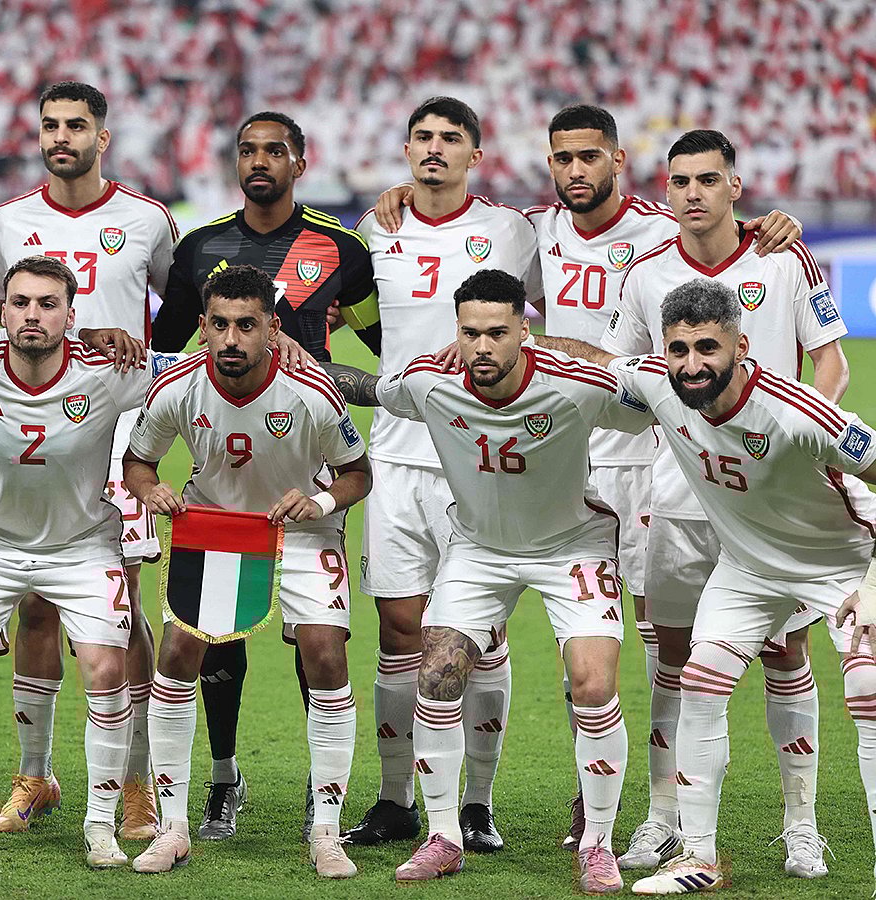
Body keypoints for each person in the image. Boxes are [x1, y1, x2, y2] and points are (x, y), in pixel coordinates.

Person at [375, 106, 804, 850]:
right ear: (550, 165)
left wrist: (772, 224)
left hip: (648, 452)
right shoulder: (533, 232)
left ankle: (649, 806)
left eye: (589, 157)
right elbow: (473, 280)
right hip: (567, 447)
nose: (576, 170)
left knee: (648, 642)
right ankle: (570, 799)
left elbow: (713, 244)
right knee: (582, 637)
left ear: (617, 162)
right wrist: (397, 203)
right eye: (563, 158)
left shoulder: (656, 232)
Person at [544, 129, 847, 876]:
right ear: (667, 189)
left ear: (735, 186)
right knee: (671, 656)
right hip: (678, 494)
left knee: (786, 650)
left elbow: (830, 364)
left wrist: (797, 445)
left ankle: (800, 823)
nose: (694, 193)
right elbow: (628, 379)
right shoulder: (644, 272)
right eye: (680, 181)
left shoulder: (782, 255)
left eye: (709, 179)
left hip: (776, 501)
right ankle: (662, 816)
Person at [326, 268, 653, 891]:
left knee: (591, 683)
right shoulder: (430, 382)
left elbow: (656, 400)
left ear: (522, 332)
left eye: (497, 333)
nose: (482, 347)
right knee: (437, 669)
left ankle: (598, 843)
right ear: (457, 330)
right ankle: (444, 835)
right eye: (470, 333)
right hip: (478, 549)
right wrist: (291, 357)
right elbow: (368, 388)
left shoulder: (577, 386)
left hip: (571, 545)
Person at [149, 111, 378, 841]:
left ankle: (324, 788)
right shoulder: (201, 247)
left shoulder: (343, 248)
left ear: (299, 162)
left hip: (307, 457)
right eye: (247, 150)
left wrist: (332, 364)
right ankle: (222, 779)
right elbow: (167, 351)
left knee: (318, 647)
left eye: (274, 150)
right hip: (228, 464)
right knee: (215, 637)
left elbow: (383, 344)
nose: (259, 161)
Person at [0, 81, 177, 839]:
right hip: (30, 429)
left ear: (101, 137)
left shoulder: (147, 219)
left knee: (126, 612)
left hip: (113, 432)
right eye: (49, 125)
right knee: (34, 600)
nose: (61, 137)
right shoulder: (8, 220)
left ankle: (137, 782)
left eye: (75, 126)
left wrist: (134, 350)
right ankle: (35, 775)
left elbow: (176, 326)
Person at [0, 255, 173, 867]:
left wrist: (280, 343)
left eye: (47, 305)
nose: (32, 315)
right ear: (1, 310)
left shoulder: (108, 370)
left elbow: (202, 367)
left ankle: (102, 824)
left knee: (106, 673)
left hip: (83, 547)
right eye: (20, 302)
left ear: (70, 317)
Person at [124, 265, 372, 878]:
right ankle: (173, 826)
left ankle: (326, 830)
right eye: (219, 325)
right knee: (179, 651)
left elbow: (356, 473)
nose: (231, 338)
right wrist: (151, 492)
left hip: (303, 528)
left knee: (325, 654)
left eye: (246, 325)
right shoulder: (176, 387)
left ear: (271, 327)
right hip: (217, 529)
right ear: (203, 327)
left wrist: (318, 503)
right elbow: (138, 462)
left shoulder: (313, 392)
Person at [343, 96, 543, 853]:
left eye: (450, 138)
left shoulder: (509, 230)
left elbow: (543, 327)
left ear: (475, 154)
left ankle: (477, 804)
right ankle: (396, 798)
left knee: (480, 636)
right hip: (396, 453)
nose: (434, 149)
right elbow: (364, 326)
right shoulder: (376, 227)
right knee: (399, 631)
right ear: (406, 148)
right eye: (422, 137)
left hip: (482, 457)